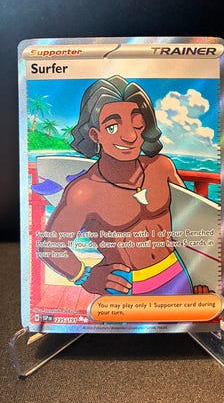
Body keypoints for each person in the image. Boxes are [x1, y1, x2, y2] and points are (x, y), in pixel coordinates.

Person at [40, 75, 207, 295]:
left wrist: (202, 278)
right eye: (112, 127)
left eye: (137, 125)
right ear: (95, 135)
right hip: (125, 287)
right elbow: (50, 247)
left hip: (177, 276)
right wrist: (85, 276)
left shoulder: (162, 167)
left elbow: (191, 225)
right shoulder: (84, 191)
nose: (129, 136)